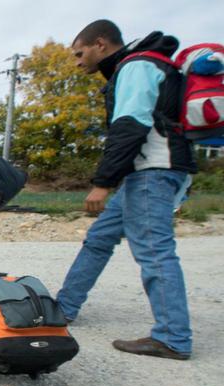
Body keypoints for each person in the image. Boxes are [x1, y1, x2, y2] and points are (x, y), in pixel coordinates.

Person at [56, 20, 198, 360]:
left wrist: (102, 184)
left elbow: (130, 126)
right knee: (99, 239)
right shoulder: (136, 65)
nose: (77, 62)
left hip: (154, 172)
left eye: (80, 53)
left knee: (154, 250)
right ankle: (63, 308)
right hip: (143, 175)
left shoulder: (136, 66)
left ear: (100, 44)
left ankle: (173, 337)